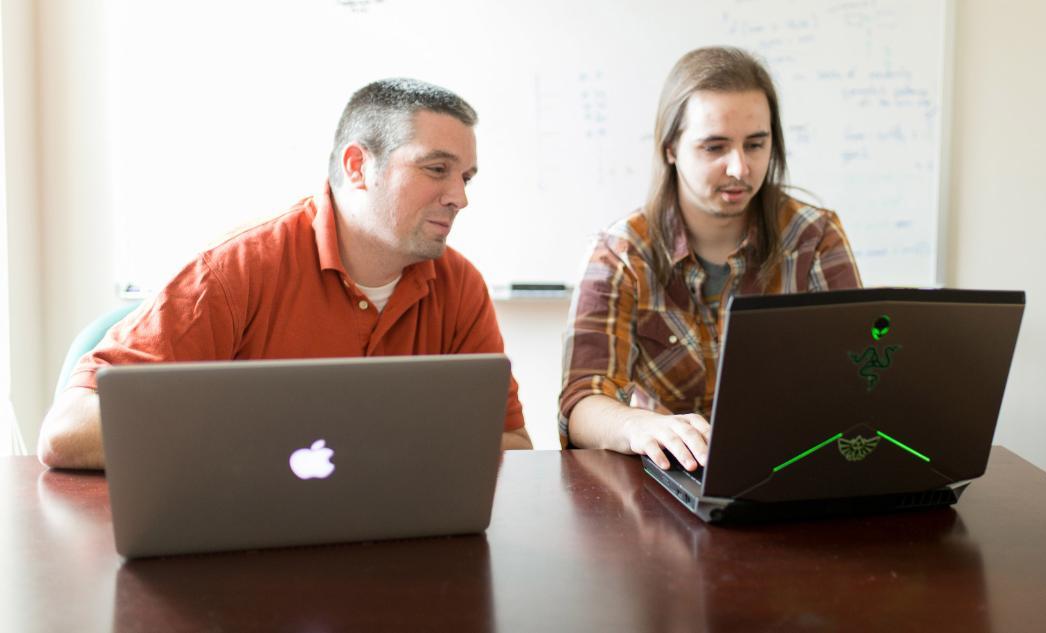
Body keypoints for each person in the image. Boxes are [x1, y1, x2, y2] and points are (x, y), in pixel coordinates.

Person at [39, 78, 532, 469]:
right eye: (436, 169)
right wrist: (261, 443)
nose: (459, 197)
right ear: (358, 167)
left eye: (465, 177)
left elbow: (511, 441)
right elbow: (68, 431)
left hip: (397, 550)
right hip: (242, 553)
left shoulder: (460, 285)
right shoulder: (237, 268)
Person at [559, 47, 861, 471]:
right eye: (714, 147)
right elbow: (582, 402)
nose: (739, 168)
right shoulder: (619, 253)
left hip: (789, 476)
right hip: (662, 491)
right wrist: (637, 426)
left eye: (756, 144)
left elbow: (858, 382)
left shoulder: (814, 236)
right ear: (670, 148)